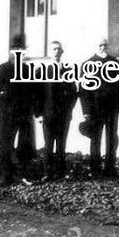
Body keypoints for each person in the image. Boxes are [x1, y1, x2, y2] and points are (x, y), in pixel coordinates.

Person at [0, 33, 38, 185]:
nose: (18, 52)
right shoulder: (4, 68)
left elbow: (34, 92)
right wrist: (1, 111)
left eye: (21, 49)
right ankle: (6, 177)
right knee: (6, 147)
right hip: (8, 115)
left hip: (24, 115)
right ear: (11, 51)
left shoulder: (28, 69)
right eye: (15, 49)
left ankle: (23, 176)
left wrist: (33, 111)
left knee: (25, 146)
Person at [78, 38, 119, 177]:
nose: (102, 47)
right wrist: (86, 110)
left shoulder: (115, 62)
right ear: (95, 47)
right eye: (100, 45)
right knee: (95, 138)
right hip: (95, 109)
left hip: (112, 107)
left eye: (105, 45)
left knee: (112, 138)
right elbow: (83, 90)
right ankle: (95, 169)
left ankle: (110, 168)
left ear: (108, 46)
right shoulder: (88, 64)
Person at [38, 40, 77, 179]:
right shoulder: (42, 70)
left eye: (59, 49)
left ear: (62, 51)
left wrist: (69, 110)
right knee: (48, 144)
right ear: (49, 52)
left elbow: (73, 92)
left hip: (63, 115)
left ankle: (60, 172)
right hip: (47, 114)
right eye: (54, 49)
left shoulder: (67, 70)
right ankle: (48, 173)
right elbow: (37, 93)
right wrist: (39, 113)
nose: (56, 52)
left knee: (61, 144)